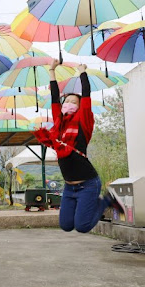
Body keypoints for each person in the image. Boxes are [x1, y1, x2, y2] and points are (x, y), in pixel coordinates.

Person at [34, 60, 125, 233]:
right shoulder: (59, 125)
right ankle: (93, 204)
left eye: (74, 102)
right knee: (66, 225)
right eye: (67, 101)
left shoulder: (84, 121)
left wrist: (82, 72)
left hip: (88, 183)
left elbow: (86, 94)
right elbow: (54, 97)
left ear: (80, 106)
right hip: (69, 187)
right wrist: (52, 70)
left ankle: (106, 201)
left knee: (82, 227)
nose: (69, 103)